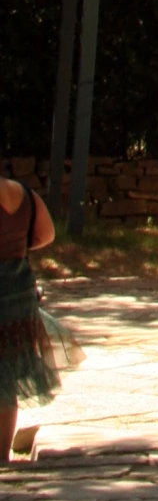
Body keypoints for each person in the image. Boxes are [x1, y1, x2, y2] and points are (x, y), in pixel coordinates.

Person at [0, 172, 57, 464]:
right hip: (19, 297)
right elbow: (47, 234)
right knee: (7, 379)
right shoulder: (24, 195)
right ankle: (2, 456)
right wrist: (18, 246)